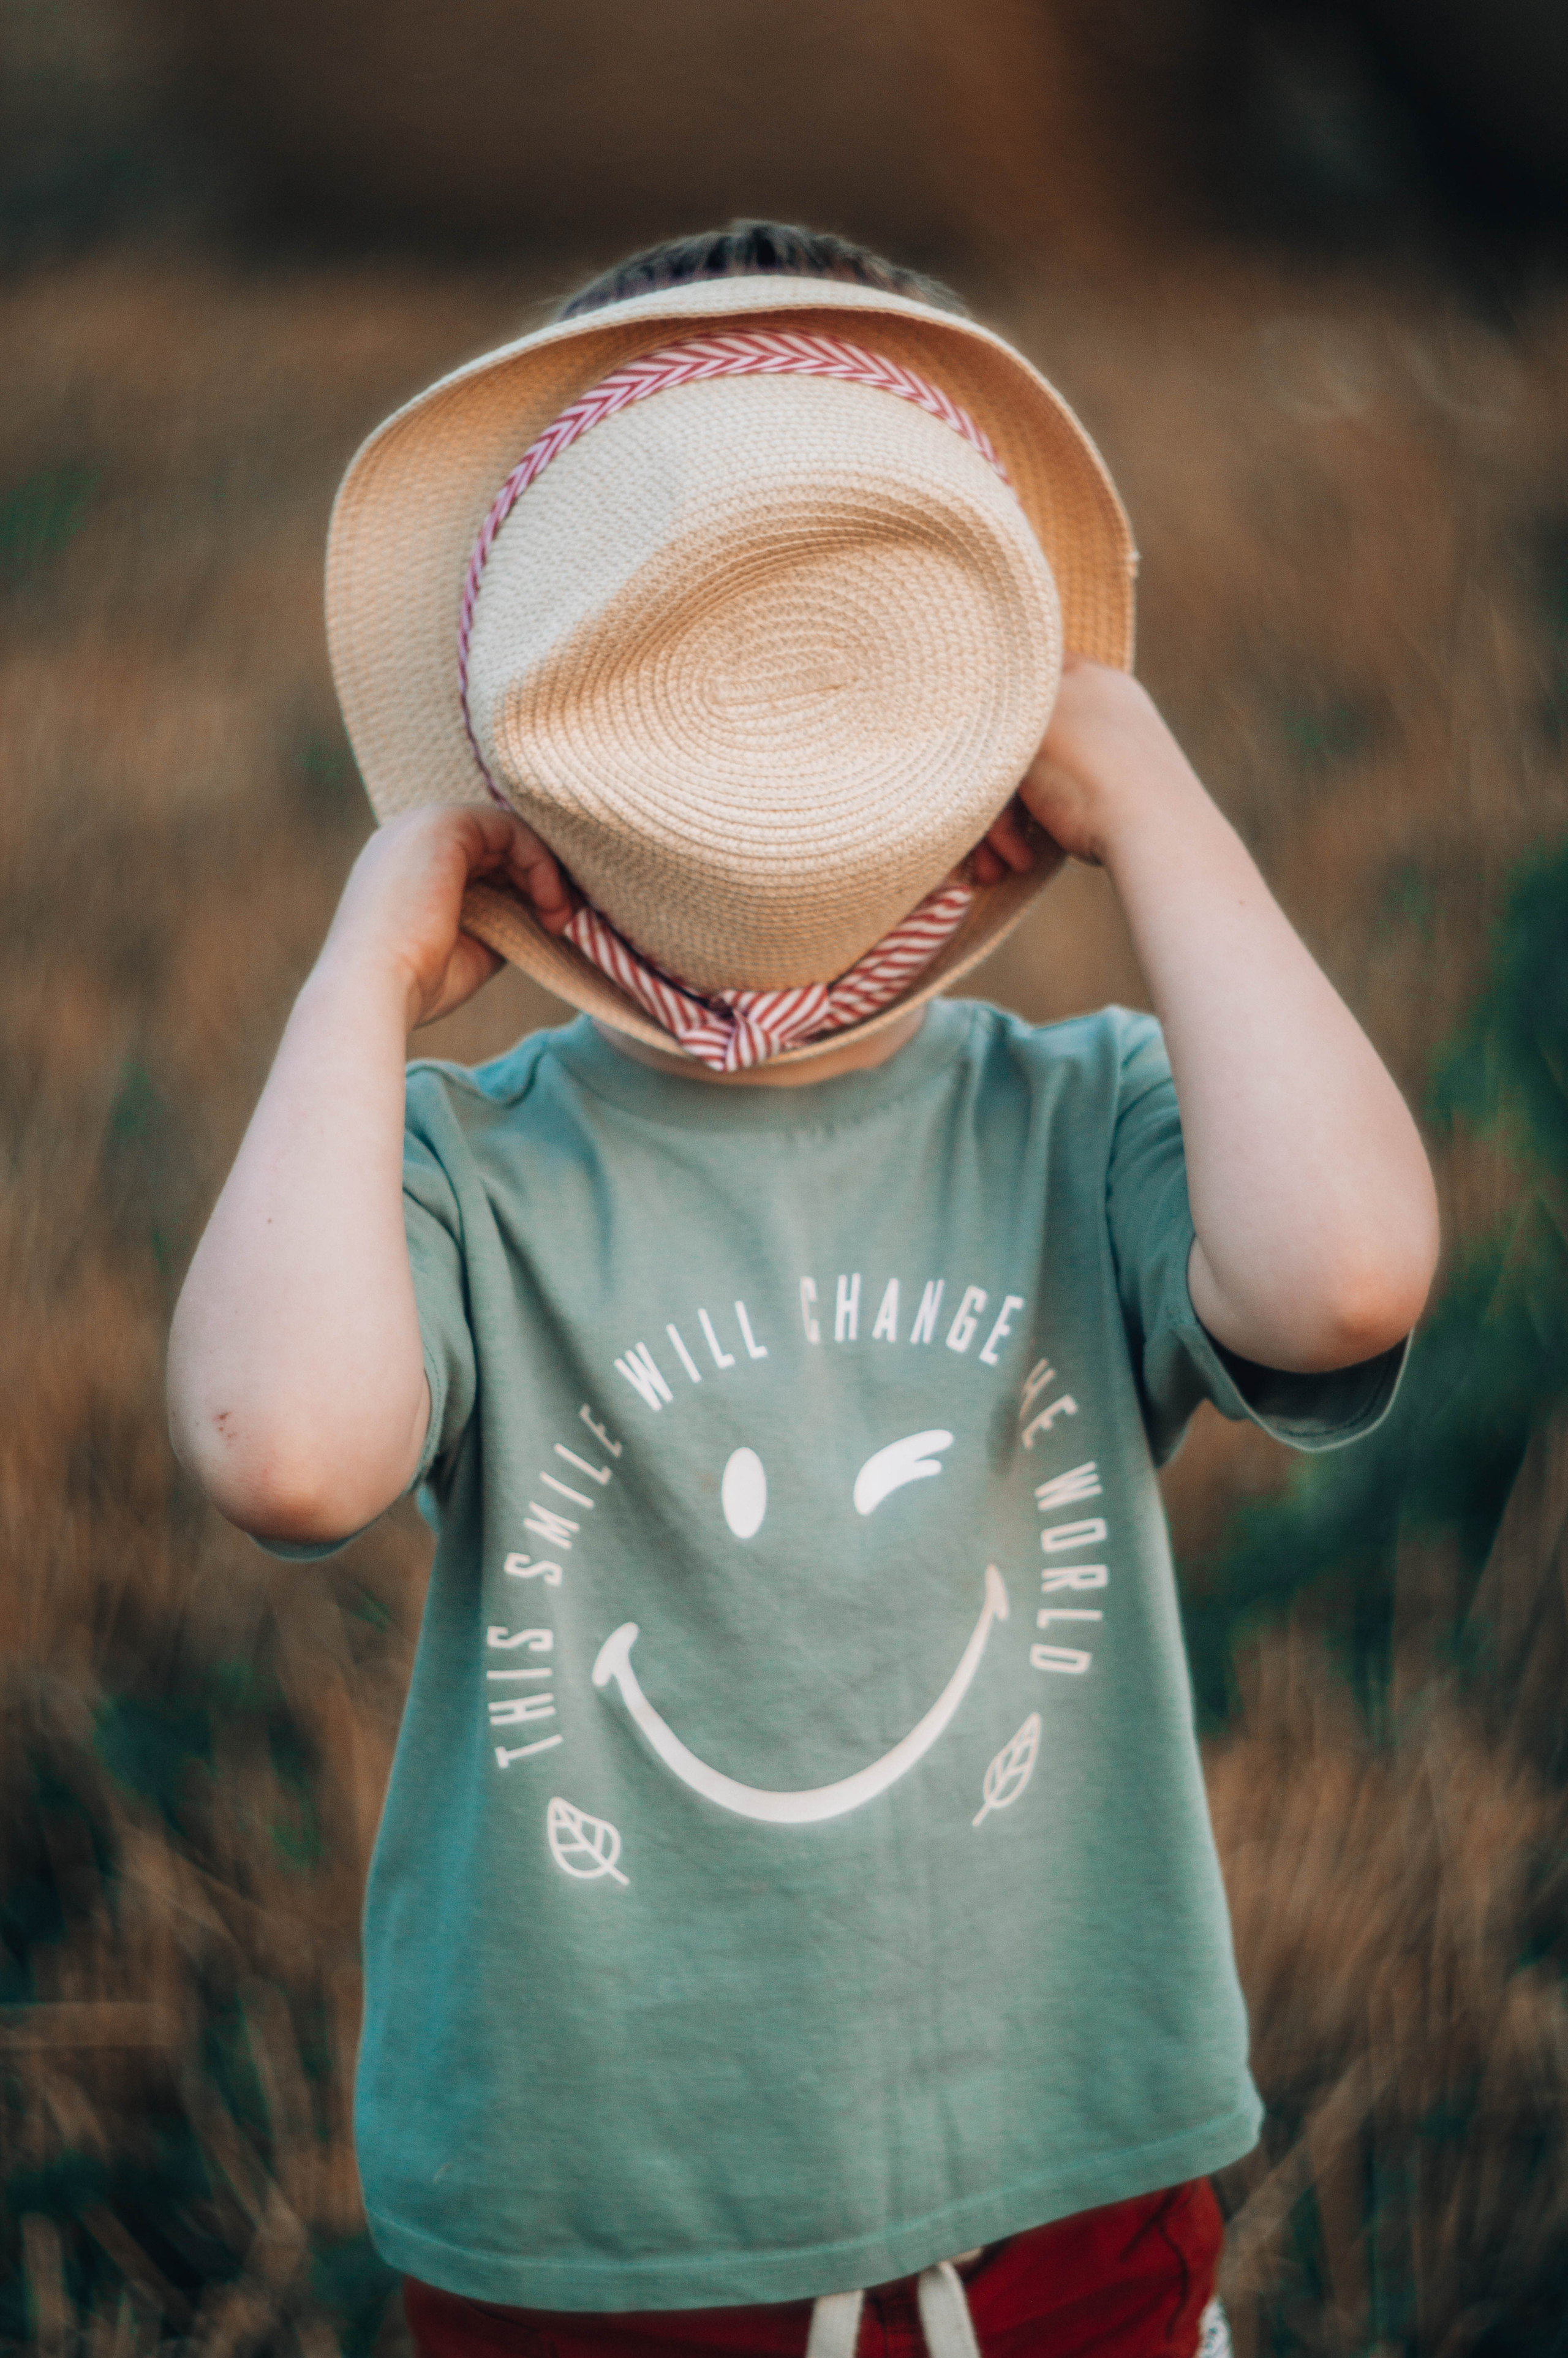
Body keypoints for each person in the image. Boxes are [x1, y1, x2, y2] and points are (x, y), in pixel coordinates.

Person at [165, 222, 1439, 2358]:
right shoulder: (472, 1169)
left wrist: (1155, 799)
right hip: (601, 2235)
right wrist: (366, 981)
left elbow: (1346, 1275)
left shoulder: (1079, 1120)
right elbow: (283, 1453)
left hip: (1069, 2192)